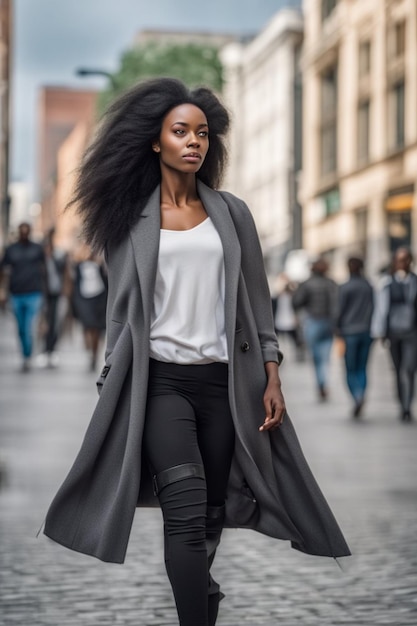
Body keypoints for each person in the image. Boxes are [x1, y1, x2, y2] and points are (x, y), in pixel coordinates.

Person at [42, 78, 350, 626]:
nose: (194, 142)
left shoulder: (232, 214)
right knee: (183, 515)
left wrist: (272, 374)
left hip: (226, 386)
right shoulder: (126, 220)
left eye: (202, 133)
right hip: (159, 384)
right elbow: (121, 314)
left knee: (209, 515)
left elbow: (258, 305)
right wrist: (110, 383)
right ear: (155, 141)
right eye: (180, 132)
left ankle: (200, 595)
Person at [371, 247, 417, 422]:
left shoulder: (414, 281)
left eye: (405, 259)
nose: (402, 263)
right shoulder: (386, 283)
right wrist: (380, 332)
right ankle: (401, 401)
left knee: (409, 369)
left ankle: (407, 405)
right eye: (399, 259)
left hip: (412, 333)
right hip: (393, 333)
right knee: (398, 370)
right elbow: (381, 309)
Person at [0, 222, 45, 371]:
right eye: (22, 231)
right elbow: (3, 271)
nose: (24, 233)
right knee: (20, 328)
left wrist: (46, 293)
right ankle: (24, 354)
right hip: (16, 293)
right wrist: (2, 290)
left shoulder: (37, 249)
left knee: (28, 326)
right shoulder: (11, 250)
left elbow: (44, 270)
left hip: (34, 293)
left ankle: (27, 356)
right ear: (19, 232)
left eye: (27, 231)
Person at [292, 257, 339, 400]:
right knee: (325, 357)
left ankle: (321, 384)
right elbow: (337, 304)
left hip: (312, 321)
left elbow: (297, 302)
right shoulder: (331, 284)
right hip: (328, 323)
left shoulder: (307, 284)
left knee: (316, 358)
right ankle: (323, 382)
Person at [336, 257, 374, 418]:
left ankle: (357, 396)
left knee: (350, 368)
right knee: (362, 367)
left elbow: (339, 310)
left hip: (349, 332)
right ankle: (362, 393)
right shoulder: (368, 286)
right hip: (366, 331)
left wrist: (337, 329)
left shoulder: (345, 288)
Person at [70, 244, 108, 371]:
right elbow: (74, 285)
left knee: (96, 329)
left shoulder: (100, 267)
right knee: (88, 326)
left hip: (99, 300)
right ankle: (89, 350)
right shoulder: (78, 267)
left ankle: (94, 354)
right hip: (84, 300)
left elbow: (107, 282)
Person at [37, 228, 70, 368]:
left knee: (55, 322)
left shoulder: (58, 260)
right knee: (44, 323)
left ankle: (52, 349)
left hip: (56, 294)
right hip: (43, 295)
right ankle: (45, 349)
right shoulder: (39, 263)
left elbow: (65, 275)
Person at [271, 273, 304, 361]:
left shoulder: (293, 296)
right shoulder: (277, 297)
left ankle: (296, 356)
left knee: (294, 340)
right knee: (278, 341)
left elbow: (297, 306)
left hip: (290, 321)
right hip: (279, 321)